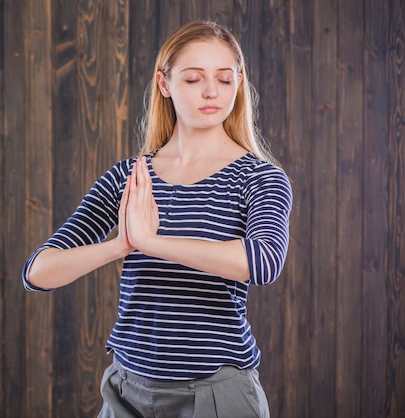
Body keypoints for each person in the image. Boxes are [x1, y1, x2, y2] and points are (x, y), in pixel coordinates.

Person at [22, 20, 292, 418]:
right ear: (165, 84)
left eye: (224, 78)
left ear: (239, 82)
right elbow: (37, 273)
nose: (211, 91)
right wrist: (121, 244)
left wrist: (152, 242)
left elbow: (263, 262)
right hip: (125, 390)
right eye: (193, 79)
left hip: (215, 394)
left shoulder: (259, 177)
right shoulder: (129, 177)